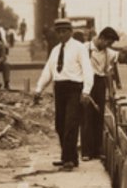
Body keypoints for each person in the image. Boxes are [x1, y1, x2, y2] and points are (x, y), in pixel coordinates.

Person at [33, 18, 94, 170]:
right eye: (58, 32)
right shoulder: (55, 50)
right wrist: (39, 88)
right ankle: (71, 157)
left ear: (70, 32)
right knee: (60, 125)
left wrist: (86, 91)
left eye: (64, 31)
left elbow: (88, 70)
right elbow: (48, 71)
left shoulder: (80, 48)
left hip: (75, 88)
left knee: (71, 124)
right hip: (59, 89)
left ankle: (67, 160)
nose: (61, 34)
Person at [81, 26, 121, 161]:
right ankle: (86, 151)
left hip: (100, 83)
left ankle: (97, 150)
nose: (108, 46)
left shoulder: (108, 52)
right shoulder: (85, 48)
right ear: (102, 38)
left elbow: (108, 72)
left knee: (99, 116)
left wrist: (111, 90)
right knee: (87, 116)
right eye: (108, 42)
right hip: (87, 83)